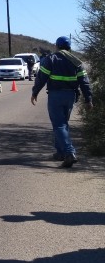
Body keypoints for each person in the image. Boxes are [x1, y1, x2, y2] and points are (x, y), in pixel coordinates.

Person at [30, 36, 93, 168]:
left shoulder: (51, 59)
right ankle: (60, 152)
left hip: (56, 96)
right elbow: (84, 82)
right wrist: (88, 99)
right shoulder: (76, 61)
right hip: (70, 96)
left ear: (57, 46)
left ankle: (70, 153)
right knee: (63, 124)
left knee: (59, 125)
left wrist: (35, 92)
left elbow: (41, 77)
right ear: (69, 47)